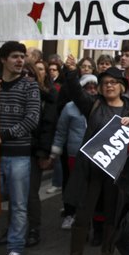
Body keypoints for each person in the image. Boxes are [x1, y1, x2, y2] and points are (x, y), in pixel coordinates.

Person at [56, 67, 129, 255]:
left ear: (122, 86)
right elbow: (75, 91)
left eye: (113, 82)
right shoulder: (93, 105)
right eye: (105, 82)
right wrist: (70, 70)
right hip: (92, 172)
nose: (109, 86)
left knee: (112, 217)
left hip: (116, 175)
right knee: (83, 216)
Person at [0, 41, 40, 255]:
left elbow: (31, 119)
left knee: (18, 204)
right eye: (15, 56)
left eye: (22, 56)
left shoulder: (30, 86)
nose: (20, 61)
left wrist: (2, 136)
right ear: (3, 59)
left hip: (18, 155)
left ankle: (15, 247)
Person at [50, 74, 97, 231]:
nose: (91, 91)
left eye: (94, 88)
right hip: (73, 154)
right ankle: (70, 214)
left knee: (90, 187)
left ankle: (88, 217)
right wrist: (55, 150)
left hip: (93, 155)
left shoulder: (99, 105)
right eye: (87, 88)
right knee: (72, 185)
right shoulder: (69, 107)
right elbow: (61, 131)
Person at [24, 60, 59, 248]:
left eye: (34, 73)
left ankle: (33, 229)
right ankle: (15, 227)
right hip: (16, 150)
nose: (27, 78)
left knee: (30, 193)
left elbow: (48, 125)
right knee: (15, 194)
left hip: (34, 150)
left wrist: (44, 153)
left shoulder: (48, 95)